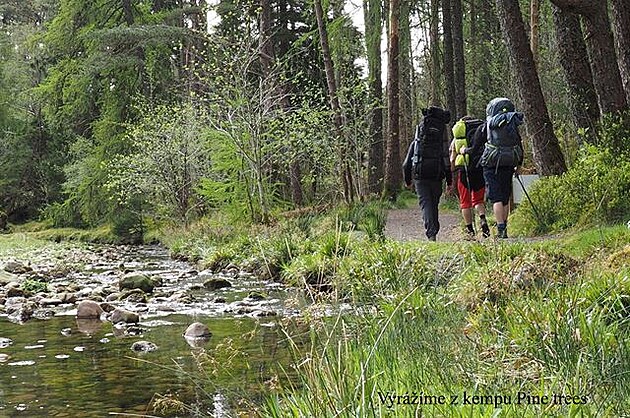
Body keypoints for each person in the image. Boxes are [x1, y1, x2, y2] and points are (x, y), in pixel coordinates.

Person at [459, 98, 524, 239]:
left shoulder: (486, 126)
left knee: (496, 198)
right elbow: (519, 145)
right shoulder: (511, 123)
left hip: (491, 165)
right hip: (508, 163)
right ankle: (505, 226)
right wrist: (519, 165)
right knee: (505, 197)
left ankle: (500, 229)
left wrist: (465, 151)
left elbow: (475, 148)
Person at [403, 106, 452, 241]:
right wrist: (449, 180)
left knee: (425, 203)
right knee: (434, 203)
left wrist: (408, 179)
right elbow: (446, 158)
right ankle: (433, 230)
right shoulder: (441, 134)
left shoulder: (418, 139)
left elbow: (406, 163)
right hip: (437, 173)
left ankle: (431, 232)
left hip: (420, 174)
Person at [449, 116, 490, 239]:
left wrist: (452, 169)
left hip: (464, 170)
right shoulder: (481, 133)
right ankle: (482, 219)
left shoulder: (458, 138)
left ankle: (470, 231)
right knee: (478, 200)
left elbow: (452, 157)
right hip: (479, 169)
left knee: (465, 202)